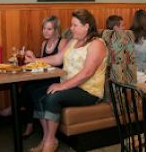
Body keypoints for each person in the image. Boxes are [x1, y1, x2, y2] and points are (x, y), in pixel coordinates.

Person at [27, 9, 107, 152]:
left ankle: (50, 143)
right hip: (72, 87)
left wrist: (62, 86)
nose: (71, 28)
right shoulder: (73, 41)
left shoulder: (97, 44)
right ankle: (47, 138)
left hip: (88, 91)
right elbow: (57, 58)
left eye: (75, 25)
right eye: (72, 25)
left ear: (86, 26)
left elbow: (88, 73)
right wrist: (35, 60)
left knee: (52, 97)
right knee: (37, 94)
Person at [0, 15, 67, 139]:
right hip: (45, 76)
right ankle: (28, 124)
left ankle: (17, 112)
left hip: (57, 77)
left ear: (56, 29)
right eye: (44, 28)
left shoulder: (62, 42)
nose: (45, 31)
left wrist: (34, 59)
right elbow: (39, 64)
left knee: (30, 88)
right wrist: (31, 56)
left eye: (49, 29)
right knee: (29, 86)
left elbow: (58, 62)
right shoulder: (44, 43)